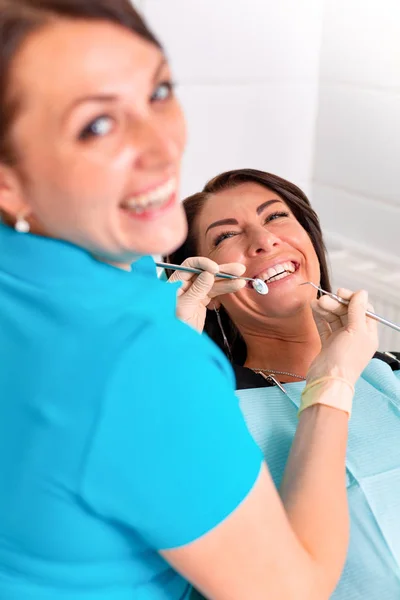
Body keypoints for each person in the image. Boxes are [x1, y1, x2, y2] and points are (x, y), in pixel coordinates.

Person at [0, 2, 379, 598]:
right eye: (97, 125)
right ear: (7, 179)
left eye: (159, 91)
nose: (163, 146)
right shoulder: (143, 363)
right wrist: (331, 384)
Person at [166, 168, 400, 599]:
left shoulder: (391, 372)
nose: (263, 240)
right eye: (223, 237)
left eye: (274, 216)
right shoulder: (208, 409)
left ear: (309, 239)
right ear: (210, 288)